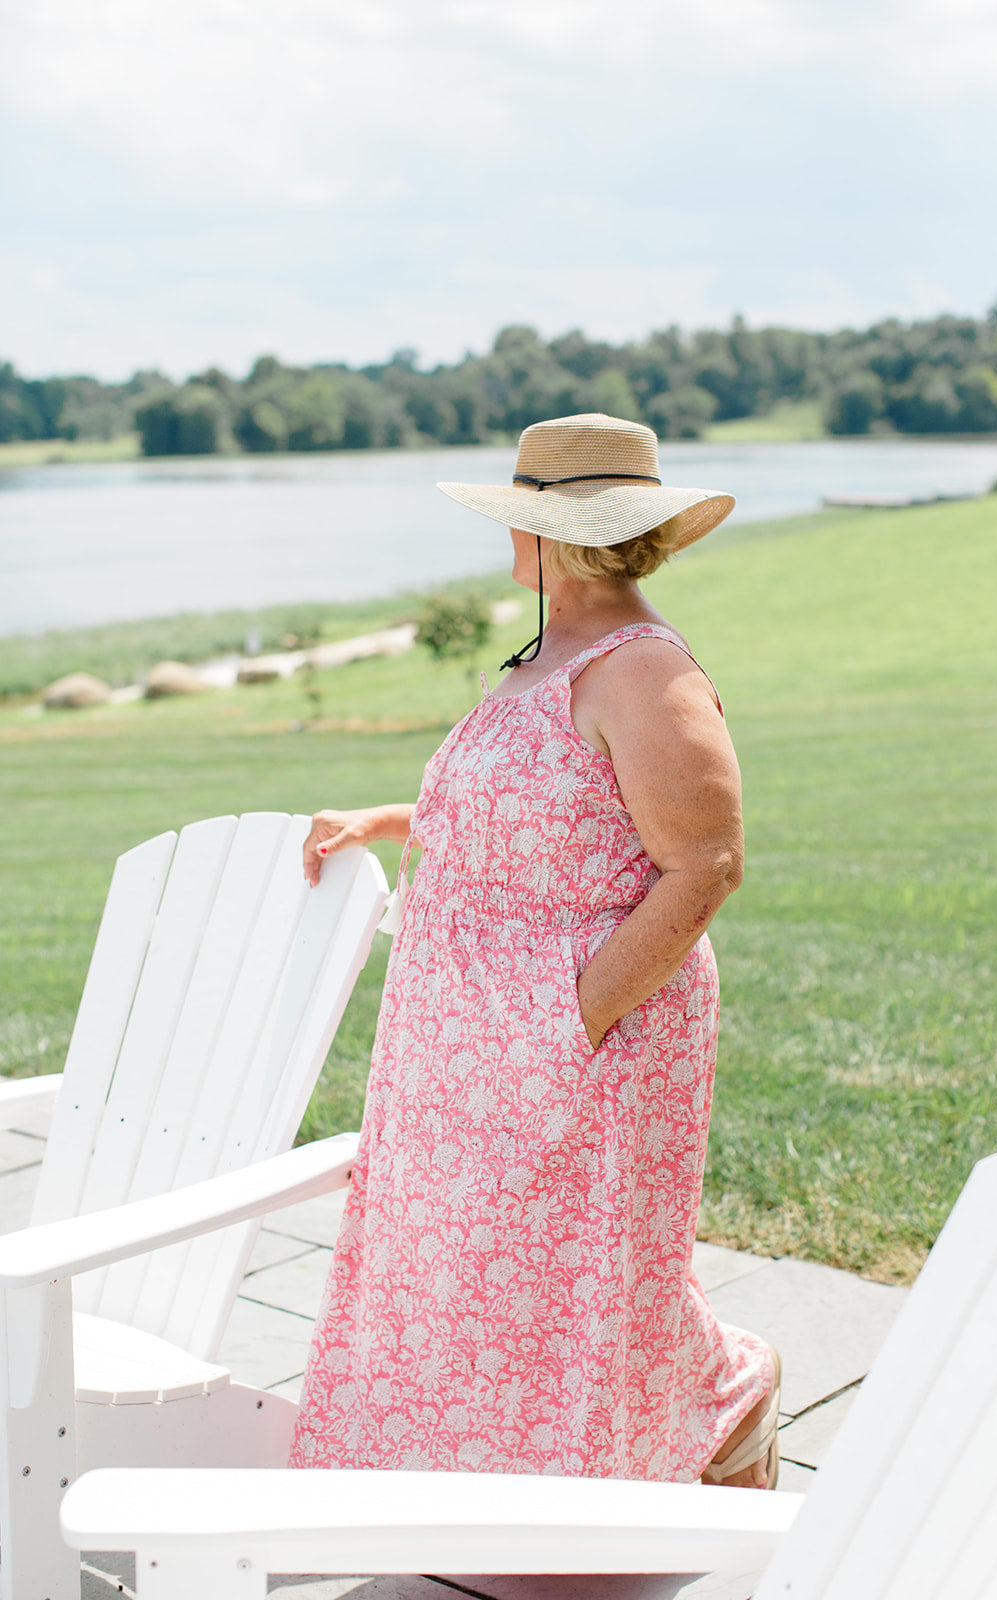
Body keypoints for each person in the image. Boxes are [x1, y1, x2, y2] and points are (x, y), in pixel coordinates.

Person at [289, 413, 780, 1488]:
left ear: (561, 534)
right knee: (472, 1273)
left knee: (577, 1272)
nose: (507, 533)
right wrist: (386, 818)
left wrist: (573, 1016)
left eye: (523, 511)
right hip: (468, 1039)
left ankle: (718, 1399)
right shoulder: (543, 650)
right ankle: (482, 1492)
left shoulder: (643, 670)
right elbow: (532, 820)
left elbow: (705, 864)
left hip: (575, 1031)